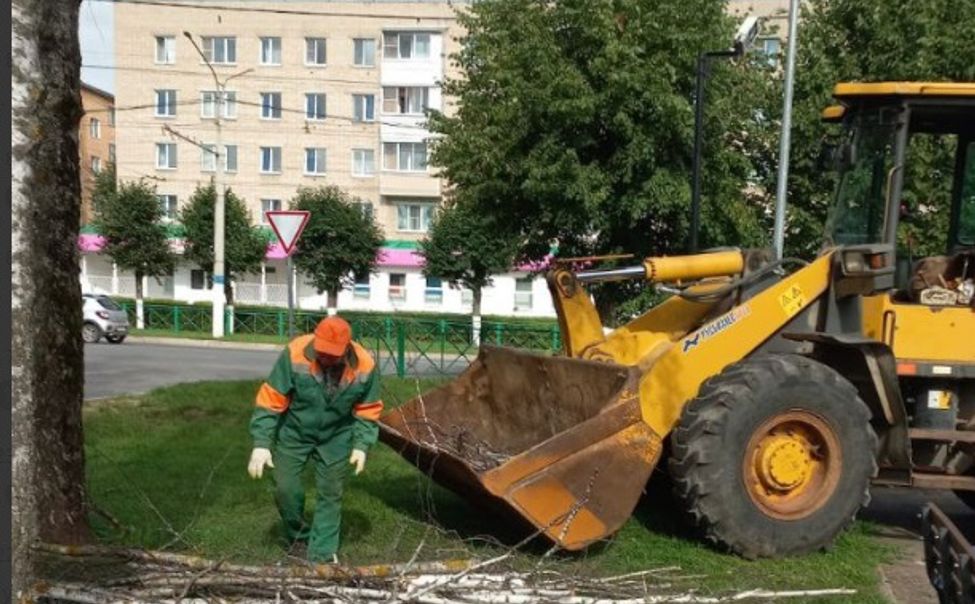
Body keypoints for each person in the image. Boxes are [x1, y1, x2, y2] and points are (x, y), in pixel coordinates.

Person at [246, 316, 384, 563]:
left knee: (330, 493)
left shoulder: (365, 364)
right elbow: (271, 399)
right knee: (285, 489)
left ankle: (321, 556)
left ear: (347, 347)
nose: (326, 357)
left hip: (337, 436)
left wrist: (362, 445)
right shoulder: (295, 353)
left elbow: (368, 408)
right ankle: (299, 537)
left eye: (333, 354)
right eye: (322, 351)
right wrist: (261, 444)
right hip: (295, 432)